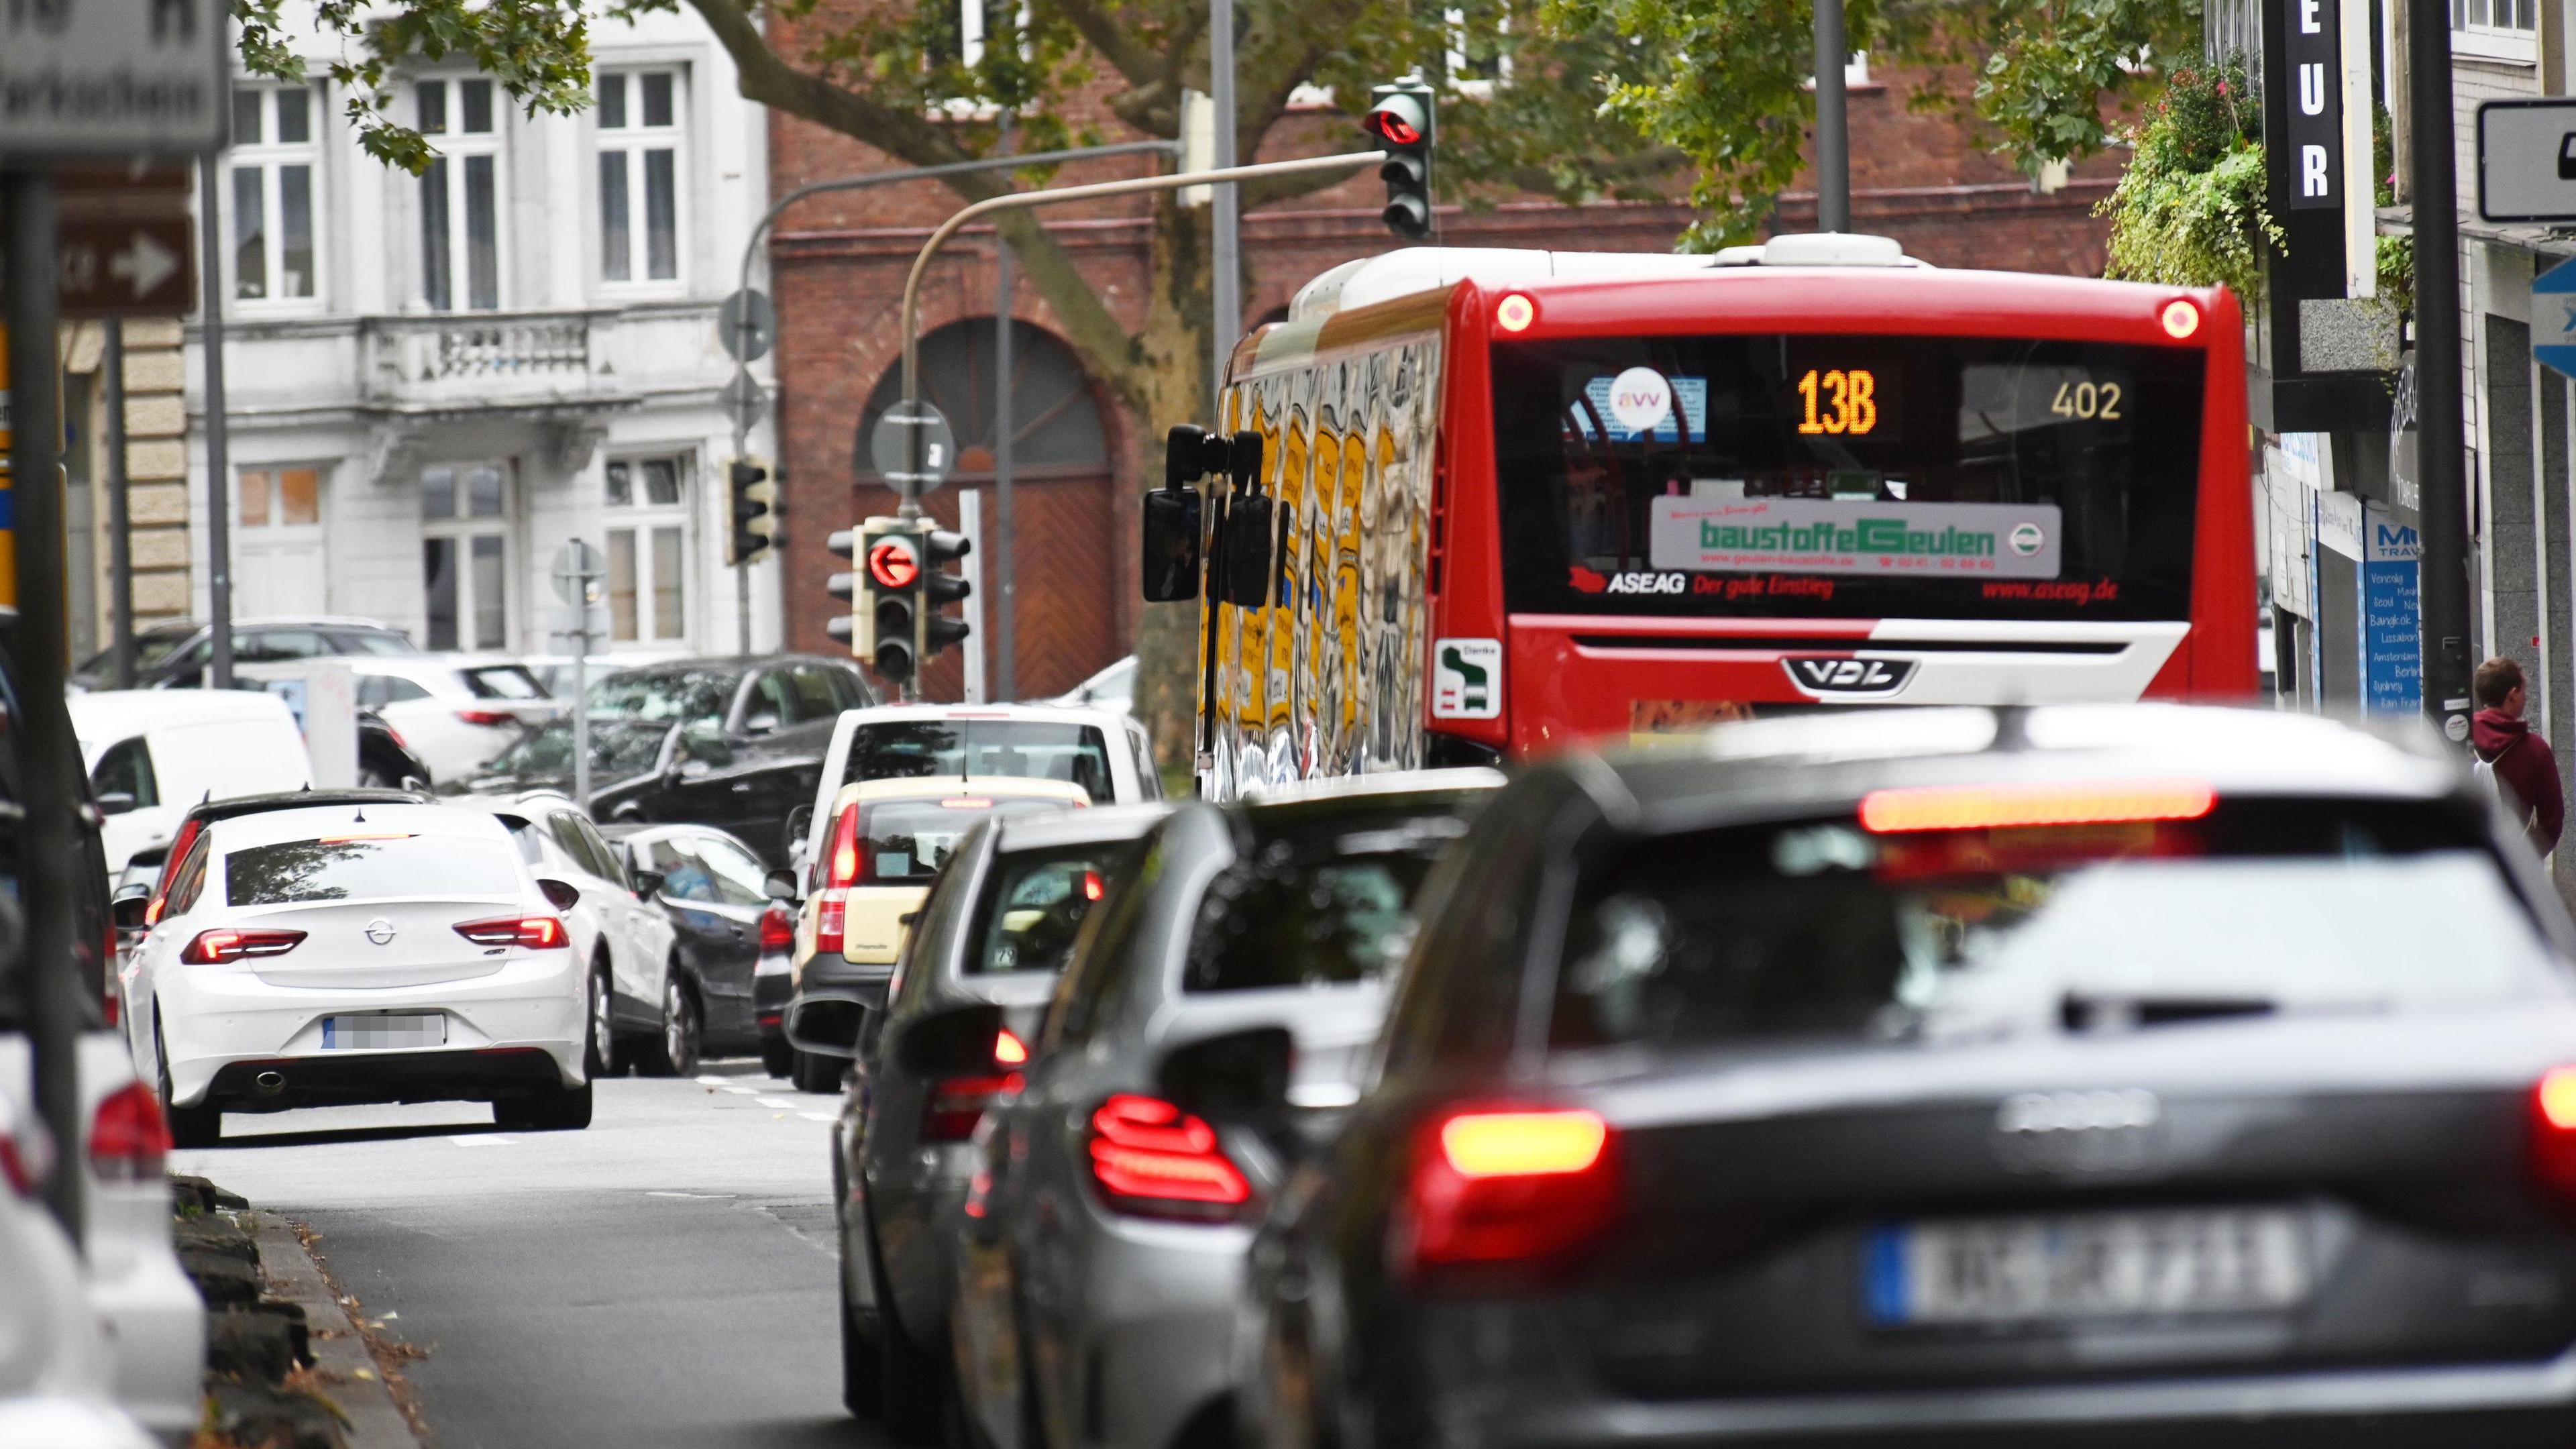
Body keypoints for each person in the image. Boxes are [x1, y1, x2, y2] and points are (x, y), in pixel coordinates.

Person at [2473, 656, 2564, 857]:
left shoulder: (2460, 741)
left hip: (2469, 870)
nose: (2526, 697)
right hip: (2515, 870)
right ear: (2512, 695)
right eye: (2524, 691)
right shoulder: (2535, 749)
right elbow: (2551, 821)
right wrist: (2523, 862)